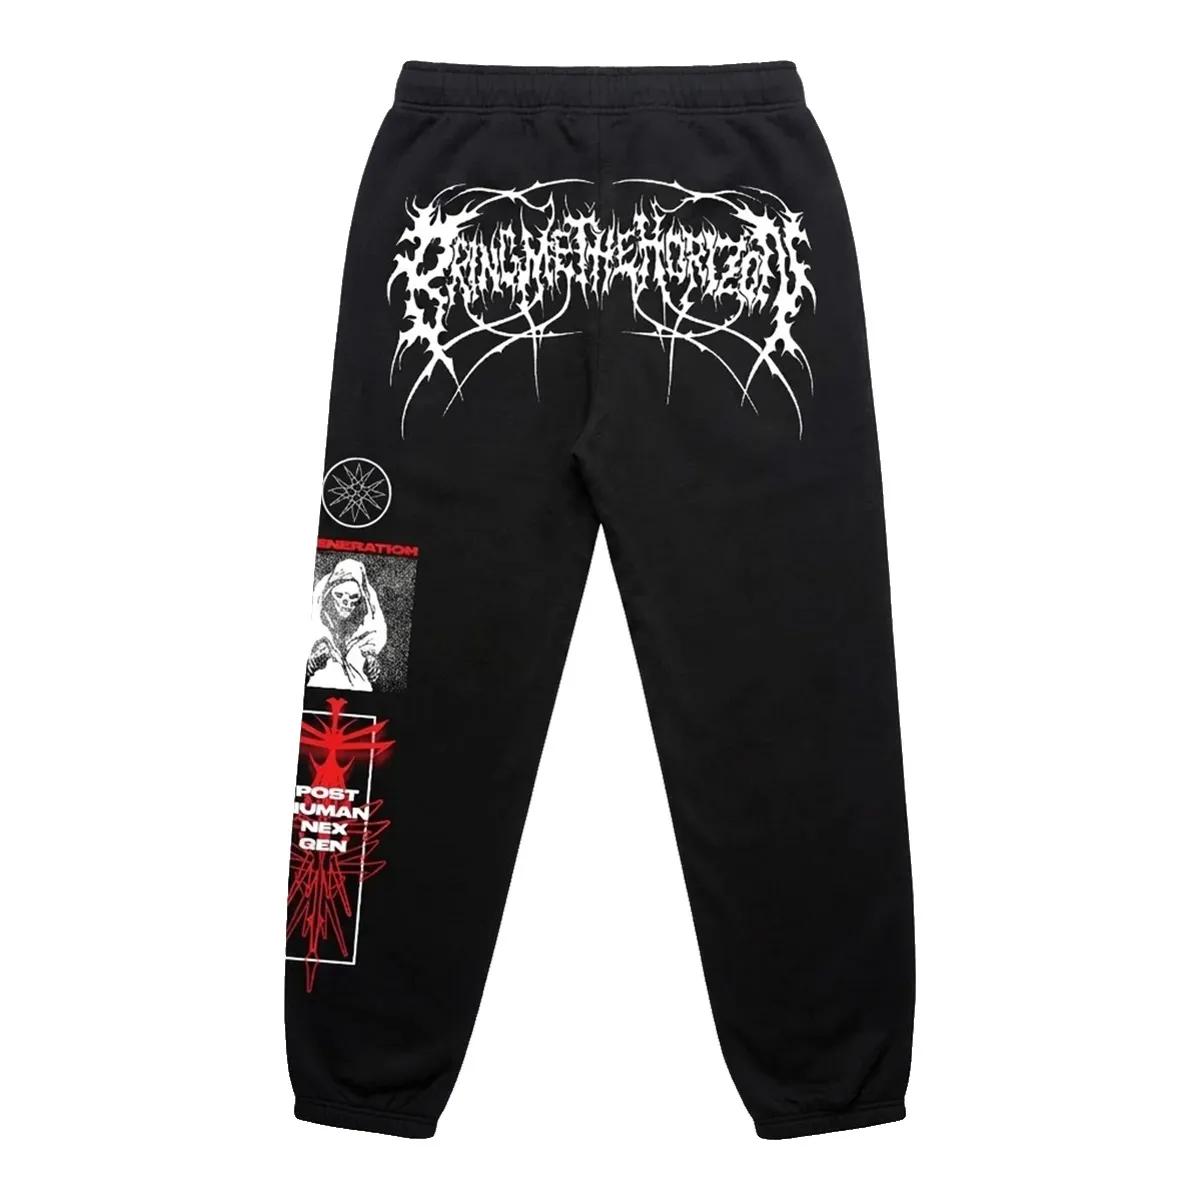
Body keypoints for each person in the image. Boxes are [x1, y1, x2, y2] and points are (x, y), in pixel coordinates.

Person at [307, 558, 386, 690]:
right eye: (339, 595)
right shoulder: (316, 624)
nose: (346, 603)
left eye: (353, 597)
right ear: (329, 594)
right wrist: (311, 661)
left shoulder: (366, 633)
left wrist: (370, 657)